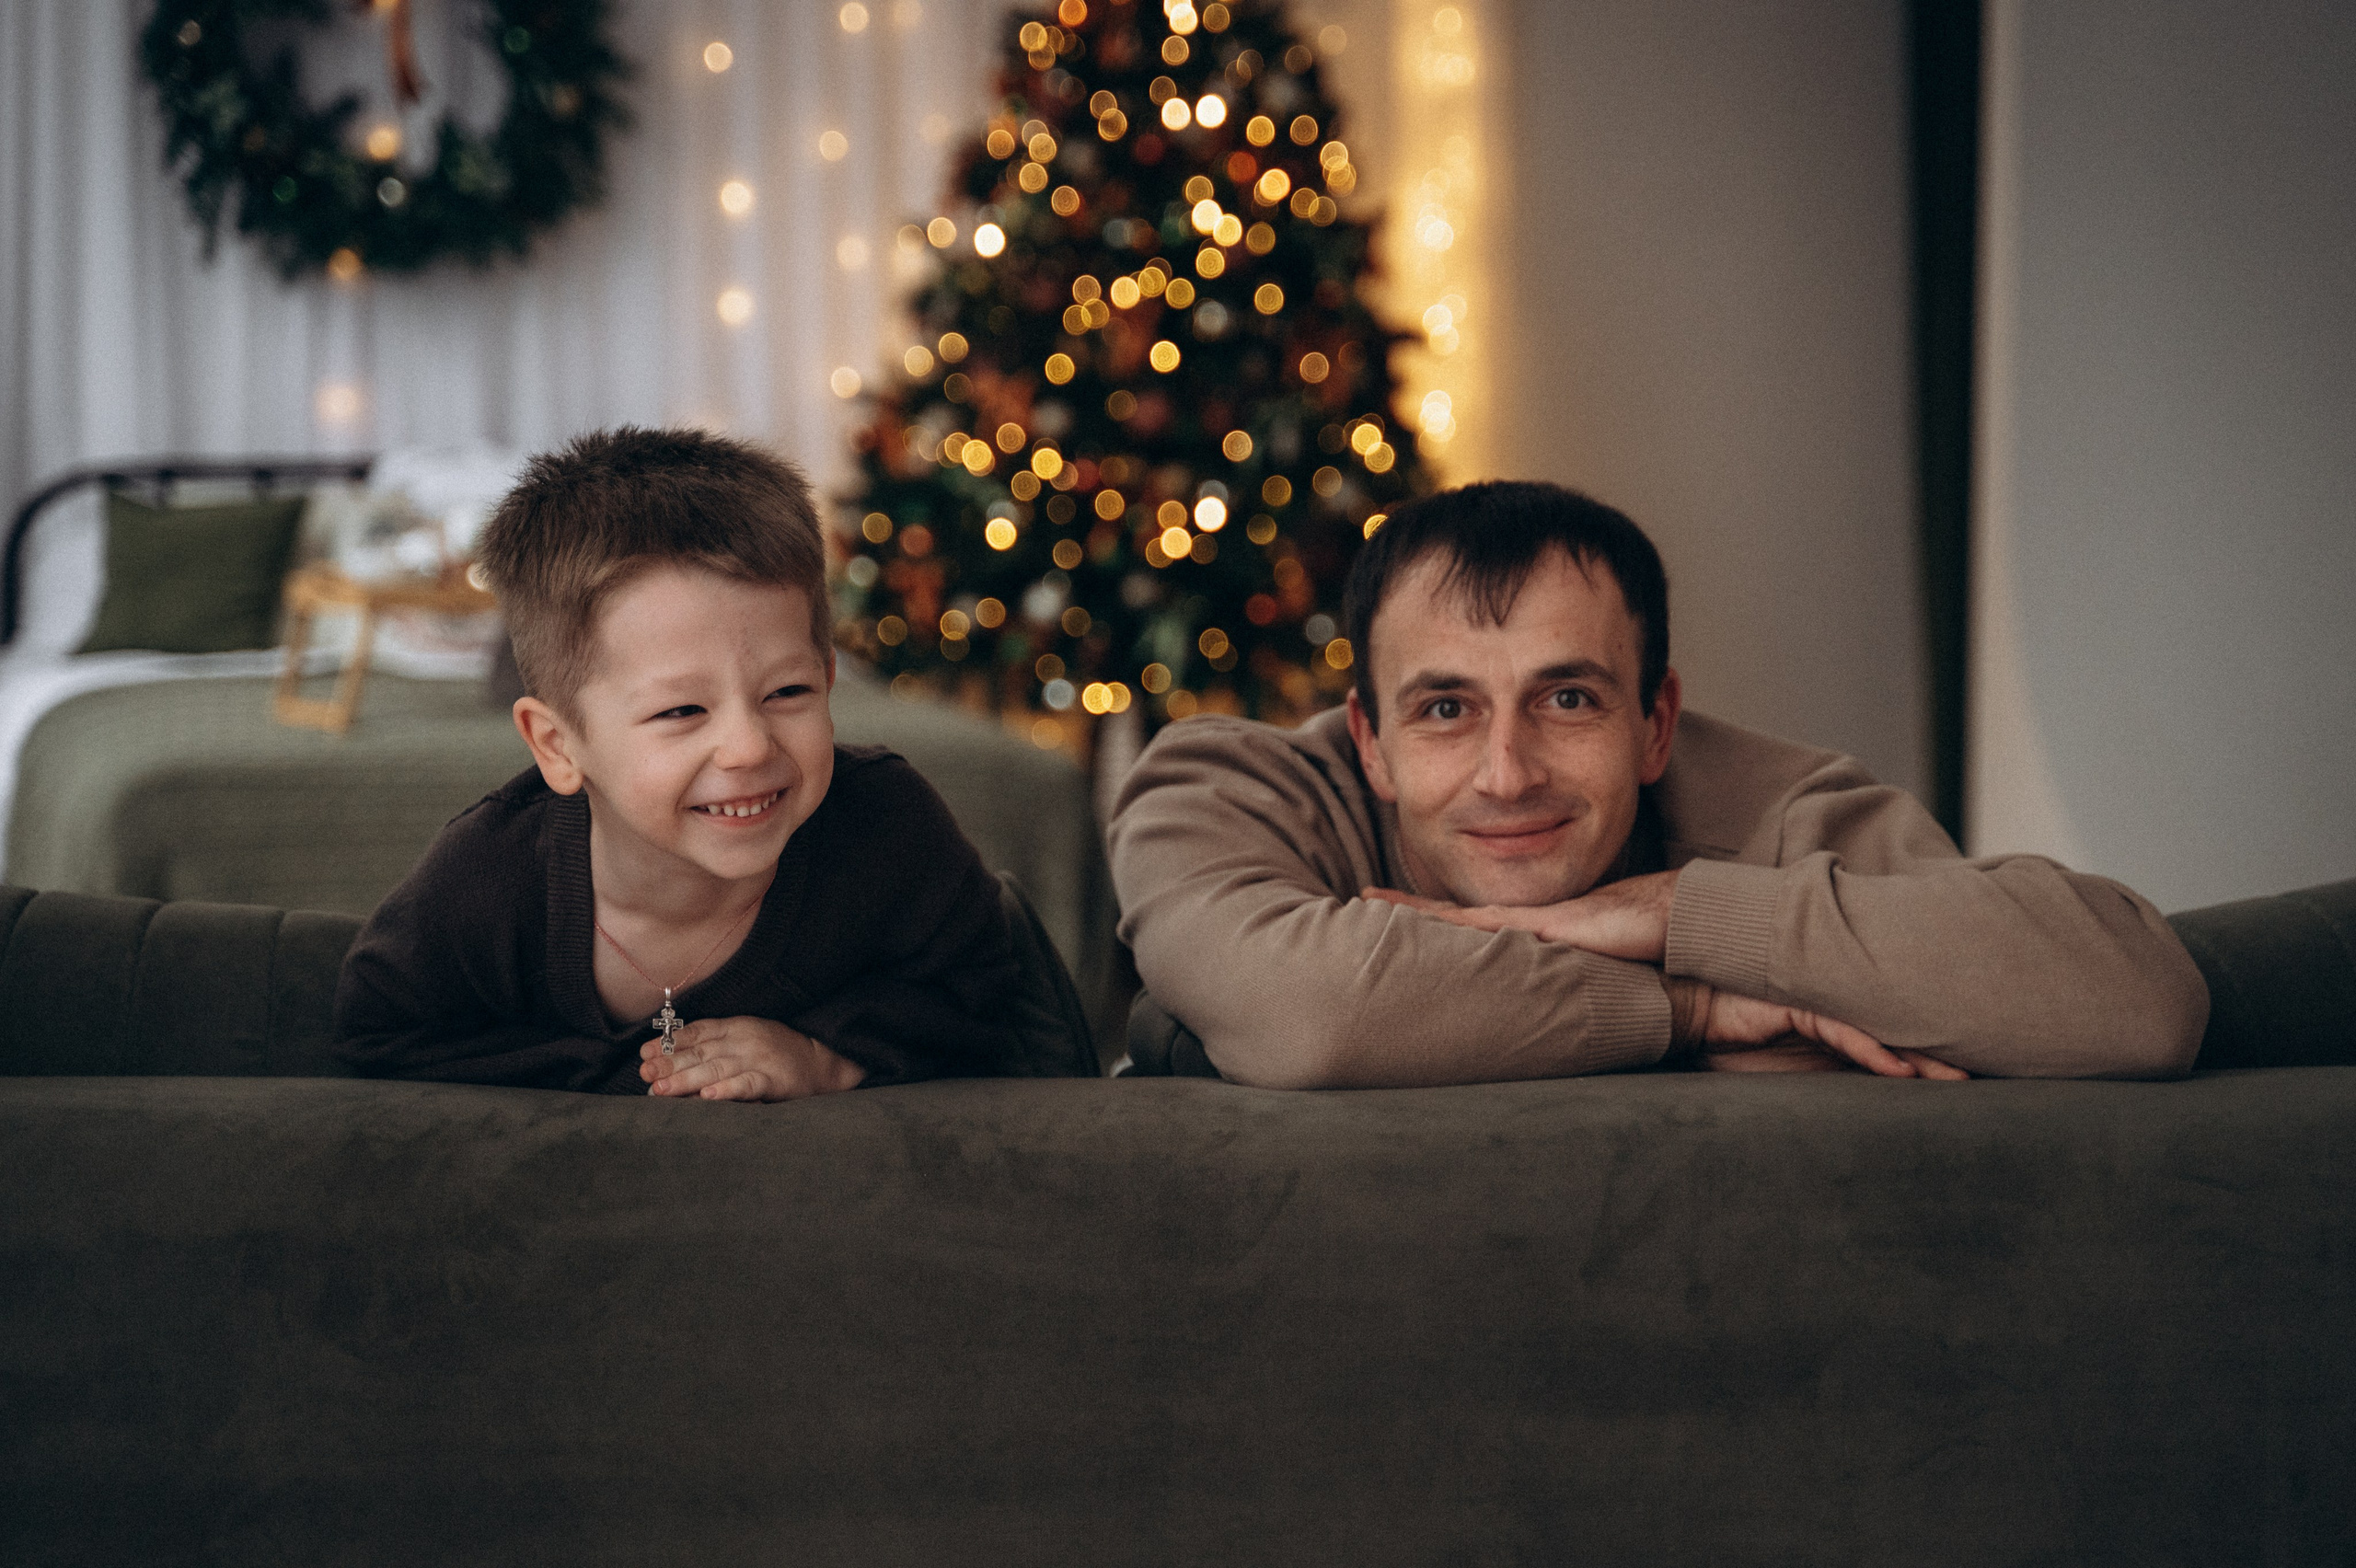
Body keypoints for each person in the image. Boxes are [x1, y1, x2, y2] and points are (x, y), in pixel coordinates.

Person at [1107, 480, 2209, 1087]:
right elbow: (1319, 1018)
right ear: (1370, 741)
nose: (1508, 772)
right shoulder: (1222, 789)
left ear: (1656, 722)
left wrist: (1672, 909)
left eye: (1568, 699)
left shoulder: (1776, 805)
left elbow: (2139, 1003)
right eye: (1445, 709)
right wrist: (1687, 1007)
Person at [337, 426, 1031, 1099]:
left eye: (788, 692)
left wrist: (825, 1059)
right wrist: (622, 1081)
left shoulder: (887, 827)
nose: (750, 747)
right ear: (557, 745)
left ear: (826, 676)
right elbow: (376, 1035)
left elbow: (990, 1006)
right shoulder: (490, 875)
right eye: (682, 712)